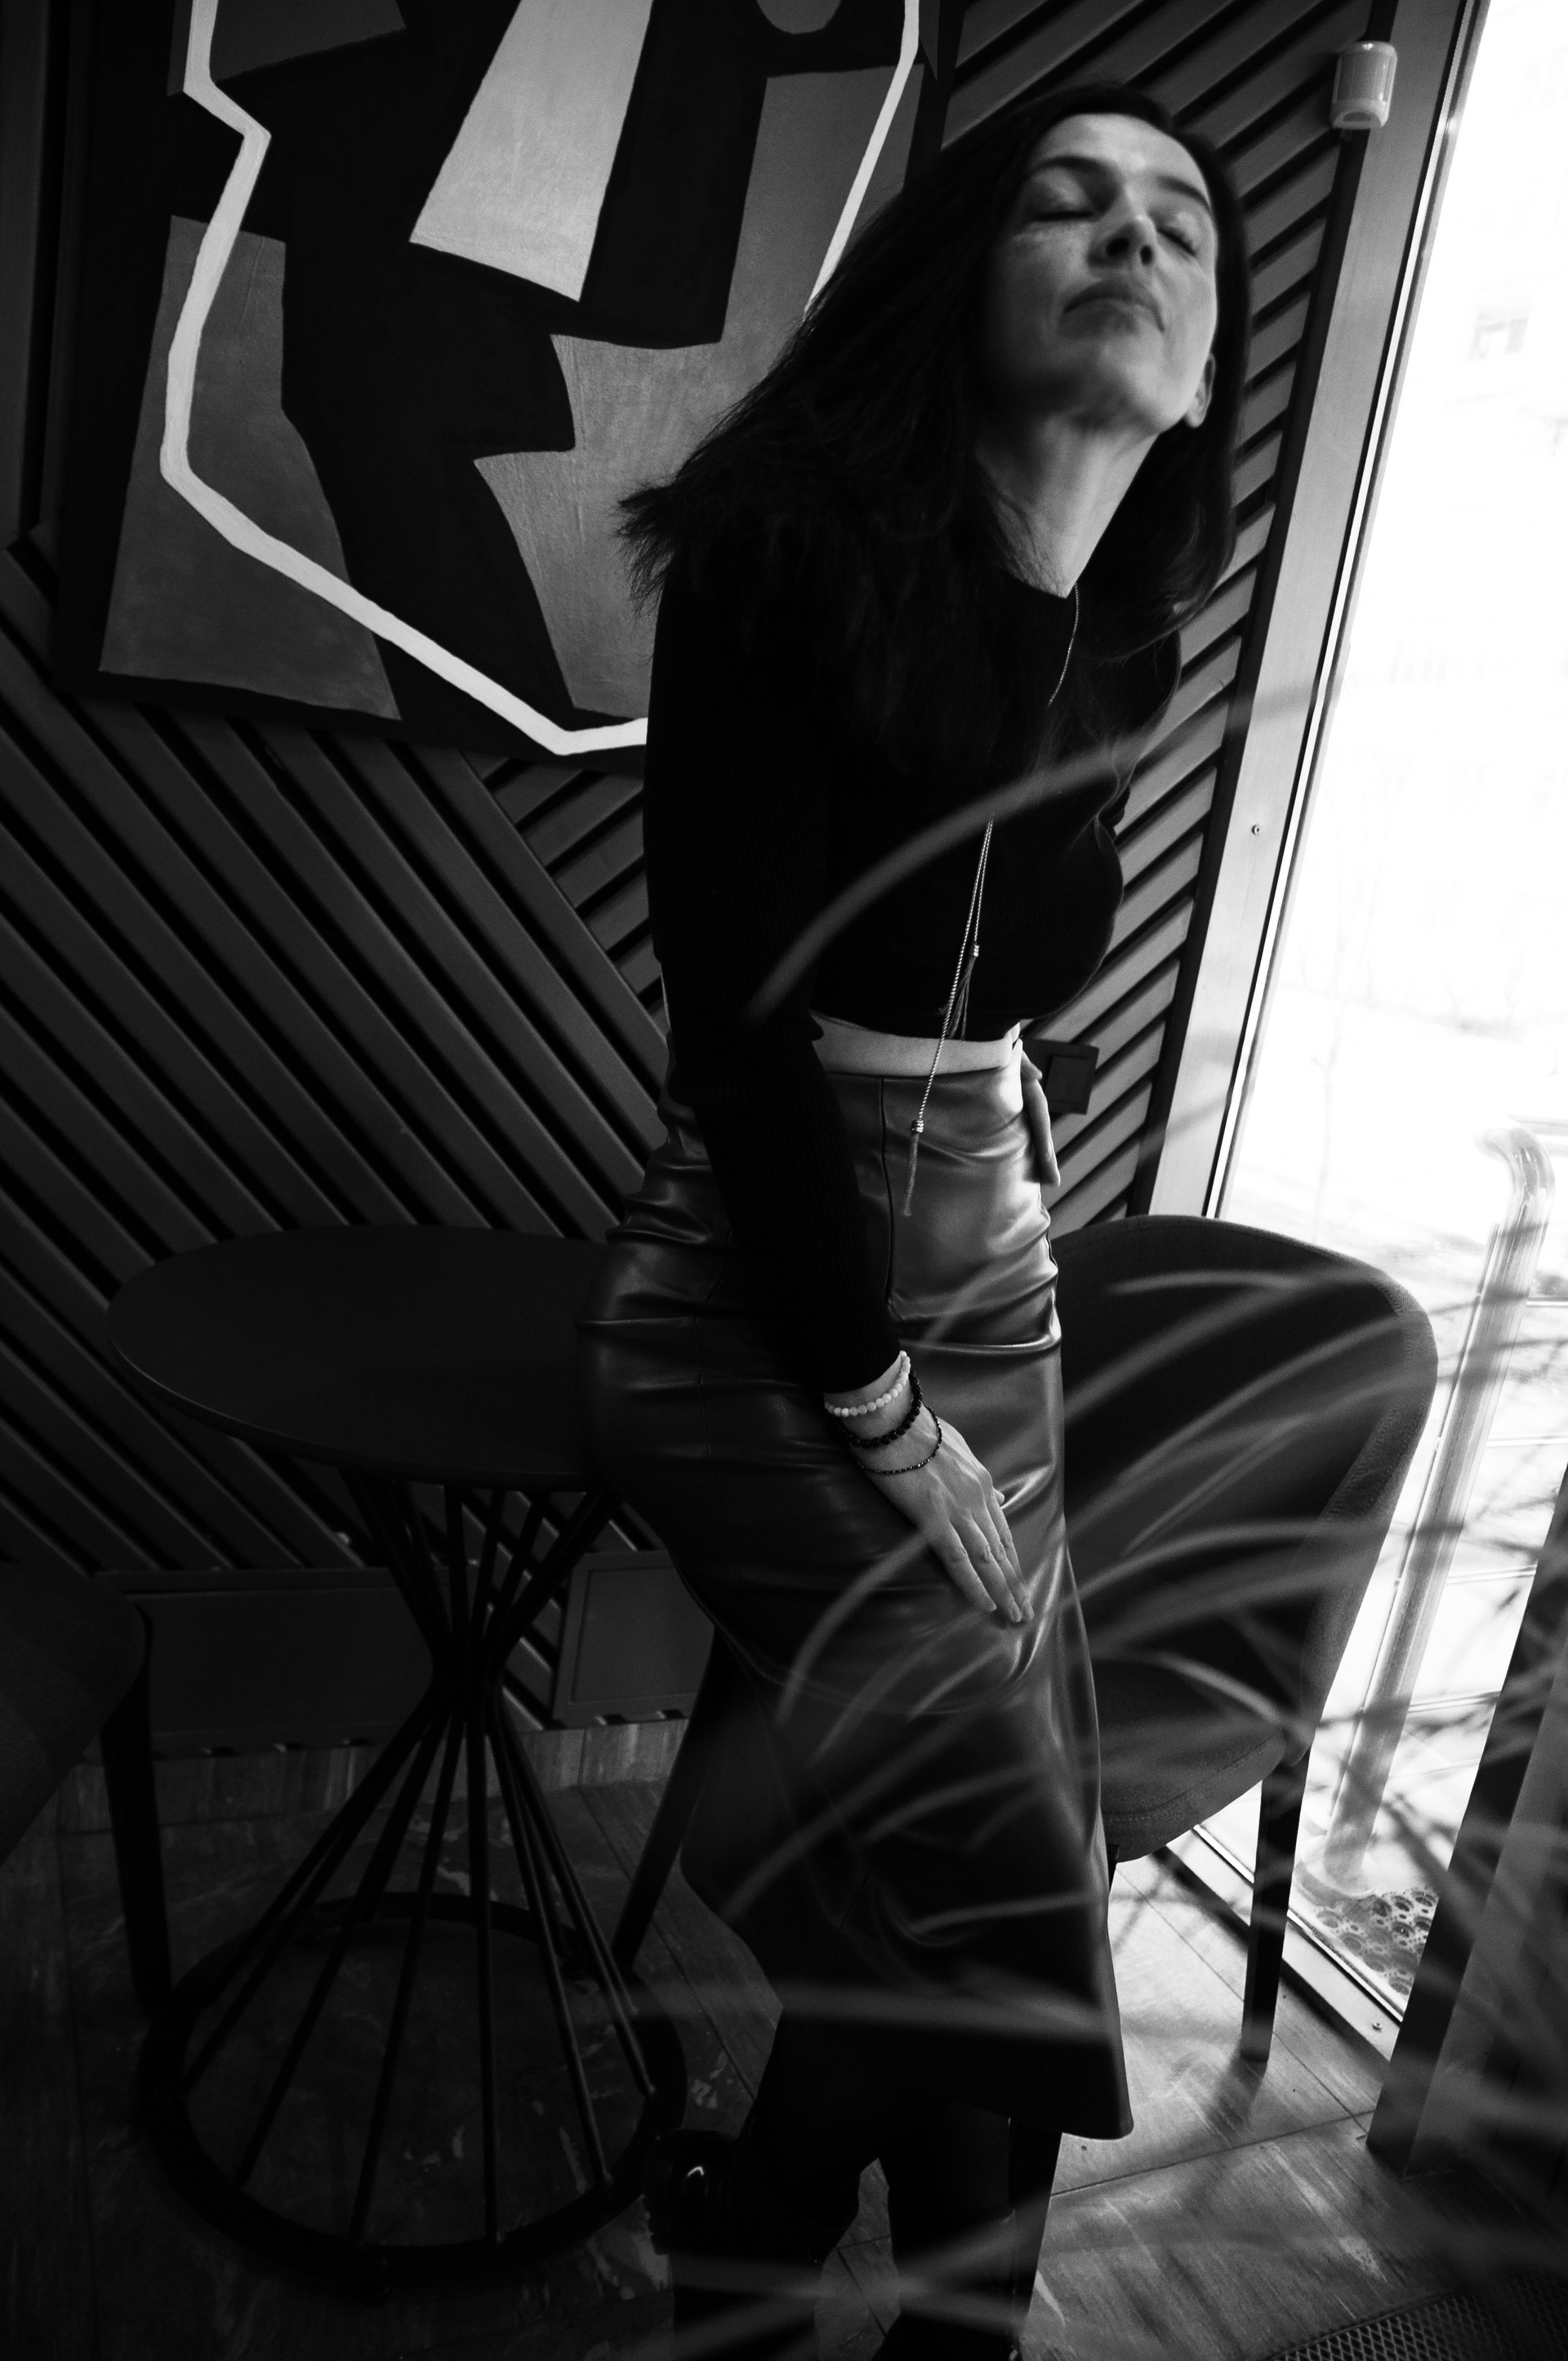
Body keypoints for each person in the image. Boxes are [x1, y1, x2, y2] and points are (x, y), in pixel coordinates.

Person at [577, 81, 1249, 2361]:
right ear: (962, 277)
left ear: (1209, 364)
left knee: (978, 1850)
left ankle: (778, 2230)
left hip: (991, 1263)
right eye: (1069, 201)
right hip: (758, 1297)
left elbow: (982, 968)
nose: (1134, 238)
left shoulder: (1124, 632)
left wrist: (997, 1125)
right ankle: (906, 2304)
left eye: (1182, 220)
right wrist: (879, 1404)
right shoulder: (782, 553)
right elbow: (750, 1040)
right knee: (1002, 1873)